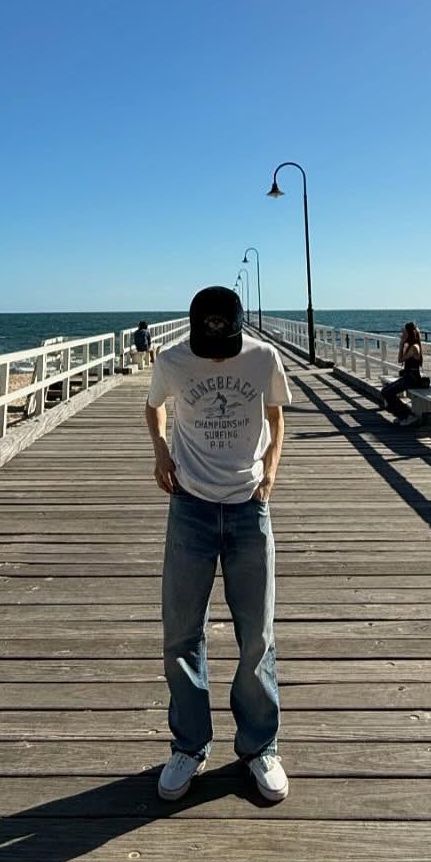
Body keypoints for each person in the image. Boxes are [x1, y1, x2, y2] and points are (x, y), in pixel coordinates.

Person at [145, 285, 291, 804]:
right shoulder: (171, 360)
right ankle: (190, 743)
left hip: (249, 508)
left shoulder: (262, 357)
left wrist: (268, 478)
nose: (213, 357)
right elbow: (153, 406)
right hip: (190, 508)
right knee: (181, 634)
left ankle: (259, 746)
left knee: (258, 636)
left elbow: (276, 417)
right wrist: (161, 449)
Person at [380, 321, 427, 421]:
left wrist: (401, 345)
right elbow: (400, 360)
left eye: (404, 333)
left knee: (388, 393)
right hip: (408, 377)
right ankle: (402, 415)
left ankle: (407, 415)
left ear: (409, 334)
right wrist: (402, 345)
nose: (402, 335)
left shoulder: (414, 347)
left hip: (412, 378)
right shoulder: (411, 345)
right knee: (385, 391)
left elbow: (400, 359)